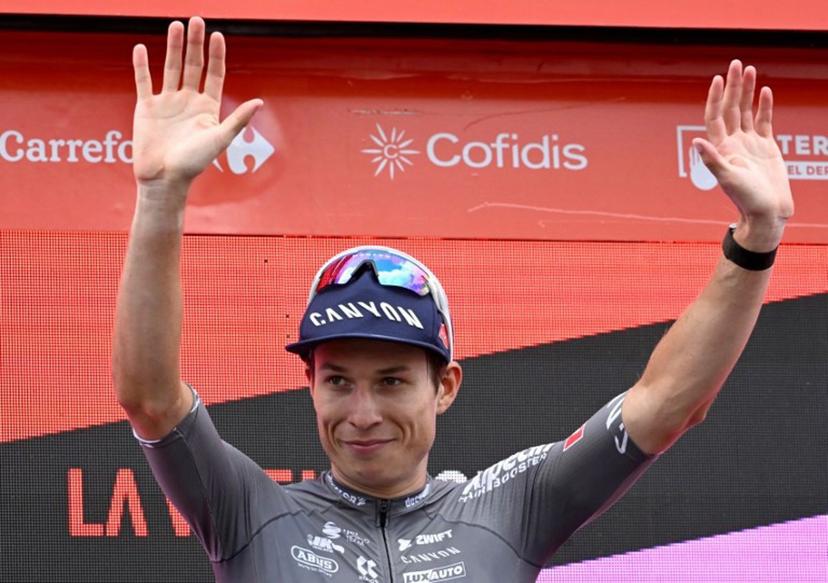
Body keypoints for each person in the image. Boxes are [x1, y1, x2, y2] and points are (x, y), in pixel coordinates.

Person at [113, 16, 794, 583]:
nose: (362, 414)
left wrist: (757, 238)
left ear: (445, 386)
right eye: (338, 381)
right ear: (309, 385)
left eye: (391, 381)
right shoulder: (251, 513)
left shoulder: (511, 509)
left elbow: (669, 402)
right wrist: (161, 195)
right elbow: (151, 399)